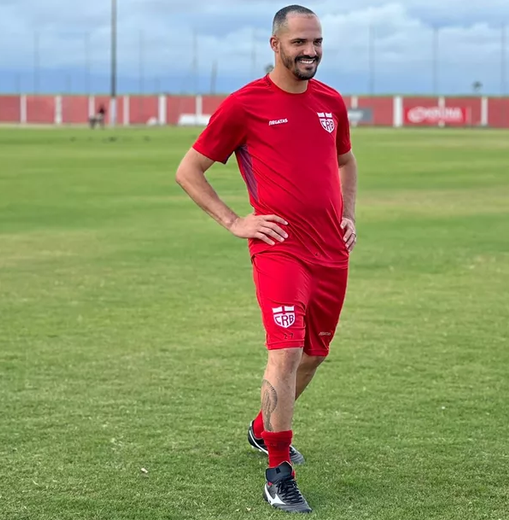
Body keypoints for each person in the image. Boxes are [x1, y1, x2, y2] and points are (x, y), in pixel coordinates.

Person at [174, 4, 358, 514]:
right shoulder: (245, 105)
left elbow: (345, 159)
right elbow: (189, 171)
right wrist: (235, 221)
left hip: (330, 251)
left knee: (316, 354)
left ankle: (262, 429)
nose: (311, 51)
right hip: (279, 250)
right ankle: (279, 473)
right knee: (287, 350)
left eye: (317, 41)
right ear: (275, 45)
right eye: (300, 42)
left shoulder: (330, 102)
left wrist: (349, 213)